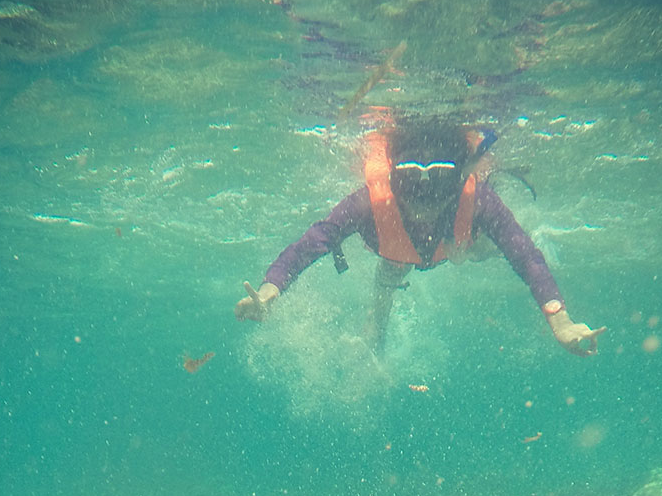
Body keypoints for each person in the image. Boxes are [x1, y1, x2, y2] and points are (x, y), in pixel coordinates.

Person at [236, 118, 606, 356]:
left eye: (437, 197)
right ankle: (374, 337)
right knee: (389, 274)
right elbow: (313, 242)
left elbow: (525, 256)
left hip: (461, 245)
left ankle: (469, 252)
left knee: (484, 250)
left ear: (457, 181)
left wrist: (558, 318)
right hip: (397, 255)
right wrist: (271, 290)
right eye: (413, 198)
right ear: (396, 184)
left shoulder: (479, 202)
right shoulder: (368, 203)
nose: (424, 210)